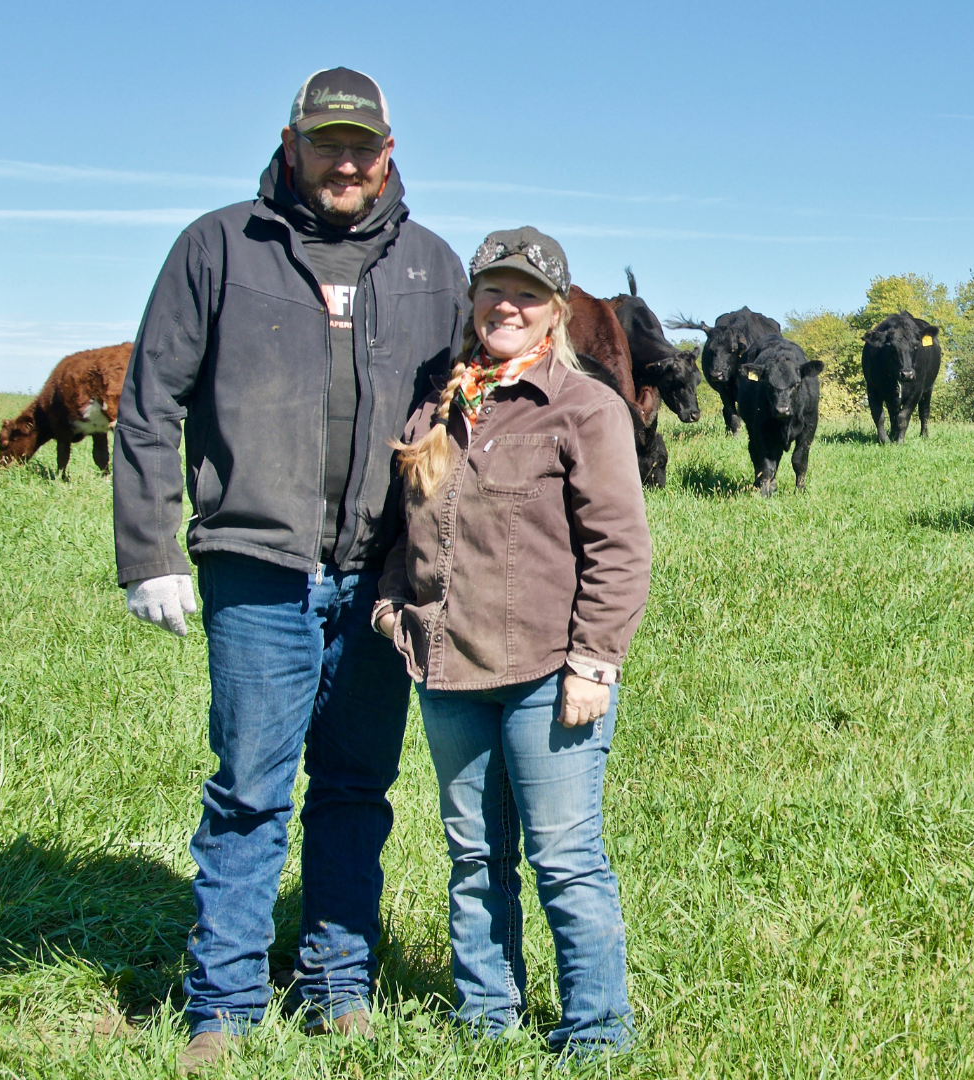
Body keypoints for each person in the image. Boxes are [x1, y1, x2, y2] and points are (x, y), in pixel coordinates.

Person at [111, 68, 467, 1071]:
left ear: (389, 151)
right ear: (292, 141)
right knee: (252, 790)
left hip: (379, 579)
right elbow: (149, 407)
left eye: (363, 146)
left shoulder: (432, 267)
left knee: (357, 783)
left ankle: (336, 984)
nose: (346, 162)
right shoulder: (219, 247)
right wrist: (148, 550)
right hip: (256, 567)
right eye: (328, 143)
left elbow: (471, 419)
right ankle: (221, 1001)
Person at [374, 227, 650, 1056]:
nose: (507, 305)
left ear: (555, 313)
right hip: (448, 667)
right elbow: (407, 525)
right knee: (472, 859)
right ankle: (485, 1022)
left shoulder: (584, 407)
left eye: (526, 294)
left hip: (546, 672)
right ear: (472, 302)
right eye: (493, 289)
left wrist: (595, 663)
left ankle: (598, 1035)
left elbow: (620, 548)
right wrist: (396, 605)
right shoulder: (440, 404)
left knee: (565, 859)